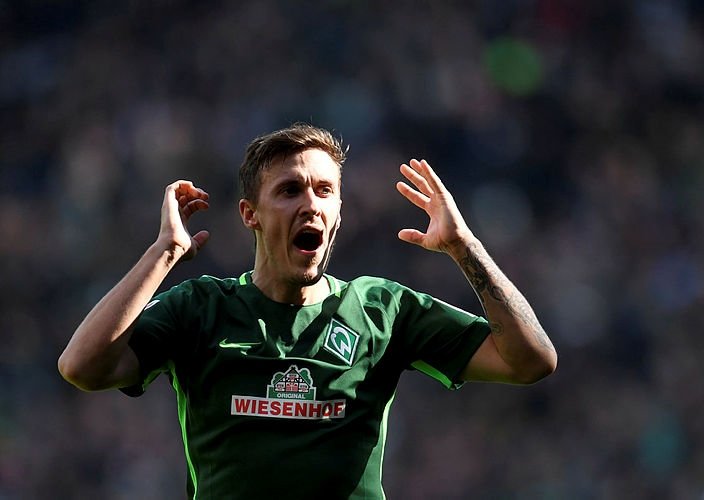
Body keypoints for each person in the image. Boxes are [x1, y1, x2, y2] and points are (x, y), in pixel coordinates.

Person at [58, 123, 557, 499]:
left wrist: (464, 247)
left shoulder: (382, 309)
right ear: (250, 214)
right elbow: (82, 367)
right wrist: (164, 253)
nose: (311, 204)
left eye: (325, 190)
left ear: (338, 212)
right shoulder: (199, 309)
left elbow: (531, 361)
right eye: (289, 190)